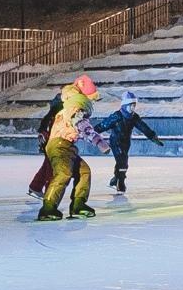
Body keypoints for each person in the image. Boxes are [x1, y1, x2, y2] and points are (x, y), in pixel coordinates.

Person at [37, 74, 106, 221]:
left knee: (84, 171)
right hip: (60, 145)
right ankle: (48, 208)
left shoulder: (69, 104)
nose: (92, 102)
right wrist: (98, 141)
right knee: (63, 173)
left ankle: (78, 205)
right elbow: (81, 125)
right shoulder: (74, 107)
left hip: (66, 146)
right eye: (91, 98)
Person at [95, 90, 163, 194]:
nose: (132, 108)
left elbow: (143, 127)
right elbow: (104, 125)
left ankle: (116, 178)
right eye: (130, 105)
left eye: (134, 105)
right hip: (116, 142)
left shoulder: (134, 117)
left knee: (123, 162)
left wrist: (153, 137)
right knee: (122, 161)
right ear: (125, 105)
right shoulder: (117, 116)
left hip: (126, 143)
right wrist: (91, 132)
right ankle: (120, 183)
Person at [25, 90, 63, 200]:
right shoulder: (56, 116)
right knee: (51, 169)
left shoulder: (51, 116)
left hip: (52, 144)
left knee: (47, 166)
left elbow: (43, 130)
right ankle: (49, 192)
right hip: (53, 145)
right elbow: (46, 131)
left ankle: (35, 186)